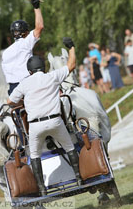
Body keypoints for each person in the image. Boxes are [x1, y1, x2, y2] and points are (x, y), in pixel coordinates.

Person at [7, 38, 81, 196]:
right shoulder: (52, 76)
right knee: (70, 148)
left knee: (34, 156)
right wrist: (71, 47)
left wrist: (26, 98)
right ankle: (78, 177)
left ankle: (41, 187)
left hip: (35, 126)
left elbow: (9, 101)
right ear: (43, 67)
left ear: (30, 71)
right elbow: (71, 65)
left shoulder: (24, 84)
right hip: (55, 121)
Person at [1, 0, 43, 95]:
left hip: (13, 91)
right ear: (26, 32)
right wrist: (36, 7)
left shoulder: (5, 53)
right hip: (29, 85)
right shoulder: (25, 43)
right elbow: (39, 27)